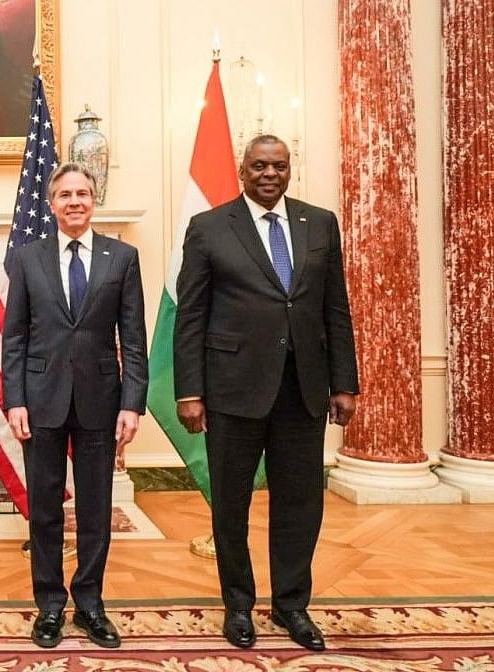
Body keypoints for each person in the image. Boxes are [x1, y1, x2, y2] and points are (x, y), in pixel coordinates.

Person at [174, 134, 359, 652]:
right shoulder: (209, 228)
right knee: (231, 504)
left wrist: (344, 382)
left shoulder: (318, 223)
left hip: (303, 391)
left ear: (289, 169)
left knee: (300, 502)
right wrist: (189, 391)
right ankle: (237, 604)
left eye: (279, 165)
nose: (270, 174)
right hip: (232, 391)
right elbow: (191, 316)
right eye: (259, 166)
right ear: (243, 171)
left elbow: (335, 309)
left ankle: (292, 605)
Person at [2, 163, 148, 650]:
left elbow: (133, 336)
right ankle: (48, 604)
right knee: (44, 509)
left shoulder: (122, 258)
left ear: (94, 200)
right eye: (64, 194)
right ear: (51, 203)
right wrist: (14, 398)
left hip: (101, 402)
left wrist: (133, 402)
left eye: (83, 193)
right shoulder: (27, 258)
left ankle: (89, 602)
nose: (74, 201)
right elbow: (15, 335)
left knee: (95, 508)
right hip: (40, 401)